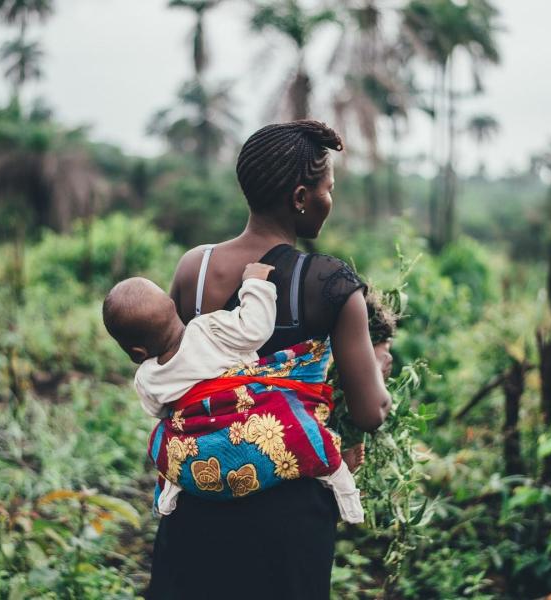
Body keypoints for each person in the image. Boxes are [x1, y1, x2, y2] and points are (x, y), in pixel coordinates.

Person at [148, 120, 391, 600]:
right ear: (301, 196)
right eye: (328, 189)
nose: (330, 201)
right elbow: (370, 413)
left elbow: (177, 375)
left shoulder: (193, 269)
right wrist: (377, 367)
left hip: (198, 498)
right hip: (288, 522)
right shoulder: (329, 283)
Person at [102, 263, 365, 523]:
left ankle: (172, 487)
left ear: (137, 353)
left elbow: (160, 412)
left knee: (163, 438)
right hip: (249, 423)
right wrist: (255, 283)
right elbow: (255, 329)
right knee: (299, 427)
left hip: (201, 452)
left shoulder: (147, 377)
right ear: (172, 307)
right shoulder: (208, 328)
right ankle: (343, 485)